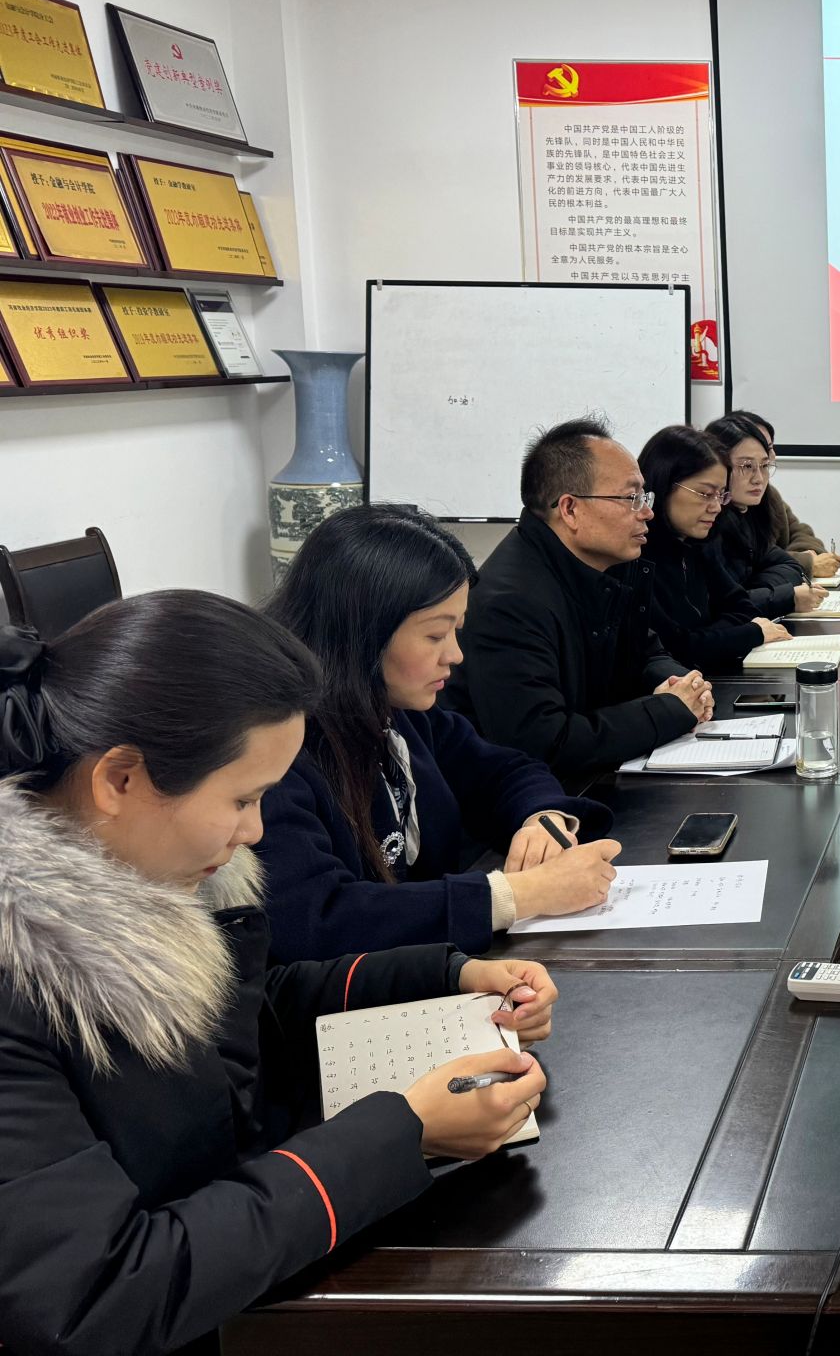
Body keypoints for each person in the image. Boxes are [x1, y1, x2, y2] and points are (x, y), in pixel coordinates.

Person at [0, 593, 558, 1355]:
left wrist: (444, 975)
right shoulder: (23, 970)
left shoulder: (139, 872)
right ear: (120, 779)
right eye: (243, 798)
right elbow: (101, 1297)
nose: (256, 829)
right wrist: (403, 1132)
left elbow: (236, 1013)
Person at [261, 505, 629, 962]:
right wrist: (516, 895)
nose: (454, 655)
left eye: (457, 631)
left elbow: (503, 771)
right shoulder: (275, 750)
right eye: (436, 636)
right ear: (362, 632)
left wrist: (542, 819)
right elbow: (318, 920)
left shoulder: (398, 710)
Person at [445, 415, 714, 789]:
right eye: (631, 498)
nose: (647, 512)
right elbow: (543, 743)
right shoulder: (510, 603)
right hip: (523, 806)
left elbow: (645, 652)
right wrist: (670, 709)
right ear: (570, 509)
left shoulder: (607, 564)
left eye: (645, 496)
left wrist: (685, 685)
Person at [639, 424, 793, 671]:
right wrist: (749, 633)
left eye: (721, 494)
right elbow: (675, 648)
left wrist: (707, 636)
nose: (716, 507)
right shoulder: (636, 555)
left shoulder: (699, 544)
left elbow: (743, 608)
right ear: (664, 484)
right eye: (705, 494)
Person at [705, 412, 827, 618]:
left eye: (764, 466)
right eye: (747, 466)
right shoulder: (708, 522)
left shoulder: (749, 510)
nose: (759, 479)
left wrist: (759, 591)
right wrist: (781, 595)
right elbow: (719, 604)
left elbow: (790, 565)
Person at [725, 408, 840, 580]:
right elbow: (752, 564)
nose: (772, 455)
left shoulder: (767, 494)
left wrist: (800, 559)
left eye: (769, 447)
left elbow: (800, 532)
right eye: (747, 465)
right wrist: (804, 563)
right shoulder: (719, 509)